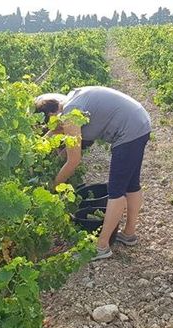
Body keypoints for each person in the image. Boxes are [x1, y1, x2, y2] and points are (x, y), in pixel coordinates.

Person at [35, 86, 151, 261]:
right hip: (139, 121)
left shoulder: (70, 113)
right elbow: (62, 138)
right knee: (132, 184)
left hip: (129, 131)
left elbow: (74, 161)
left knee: (116, 191)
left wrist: (54, 186)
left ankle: (102, 246)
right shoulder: (74, 100)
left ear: (52, 114)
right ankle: (128, 234)